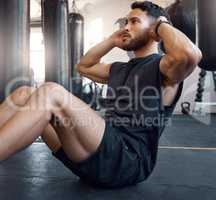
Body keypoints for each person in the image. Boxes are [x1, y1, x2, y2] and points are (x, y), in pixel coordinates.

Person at [0, 1, 202, 188]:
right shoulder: (118, 69)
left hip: (127, 162)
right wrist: (112, 41)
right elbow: (83, 66)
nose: (125, 27)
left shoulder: (164, 68)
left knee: (50, 92)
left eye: (134, 22)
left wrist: (161, 25)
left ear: (154, 30)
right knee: (23, 93)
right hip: (97, 157)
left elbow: (190, 55)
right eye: (125, 22)